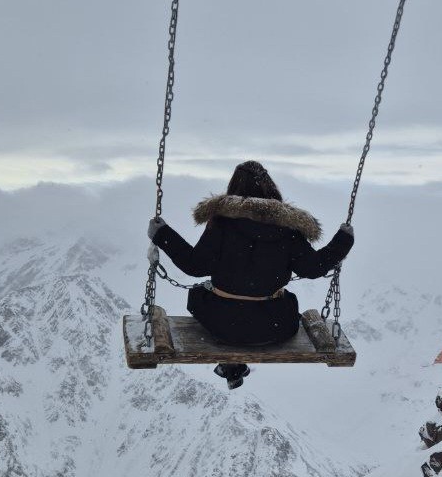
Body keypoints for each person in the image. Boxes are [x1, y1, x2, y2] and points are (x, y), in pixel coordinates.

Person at [147, 161, 354, 389]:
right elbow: (313, 268)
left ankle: (230, 363)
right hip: (274, 327)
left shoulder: (223, 224)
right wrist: (342, 241)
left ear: (234, 190)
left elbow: (195, 265)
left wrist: (163, 234)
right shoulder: (288, 230)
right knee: (282, 302)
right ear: (271, 189)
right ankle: (231, 363)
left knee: (199, 295)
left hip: (222, 324)